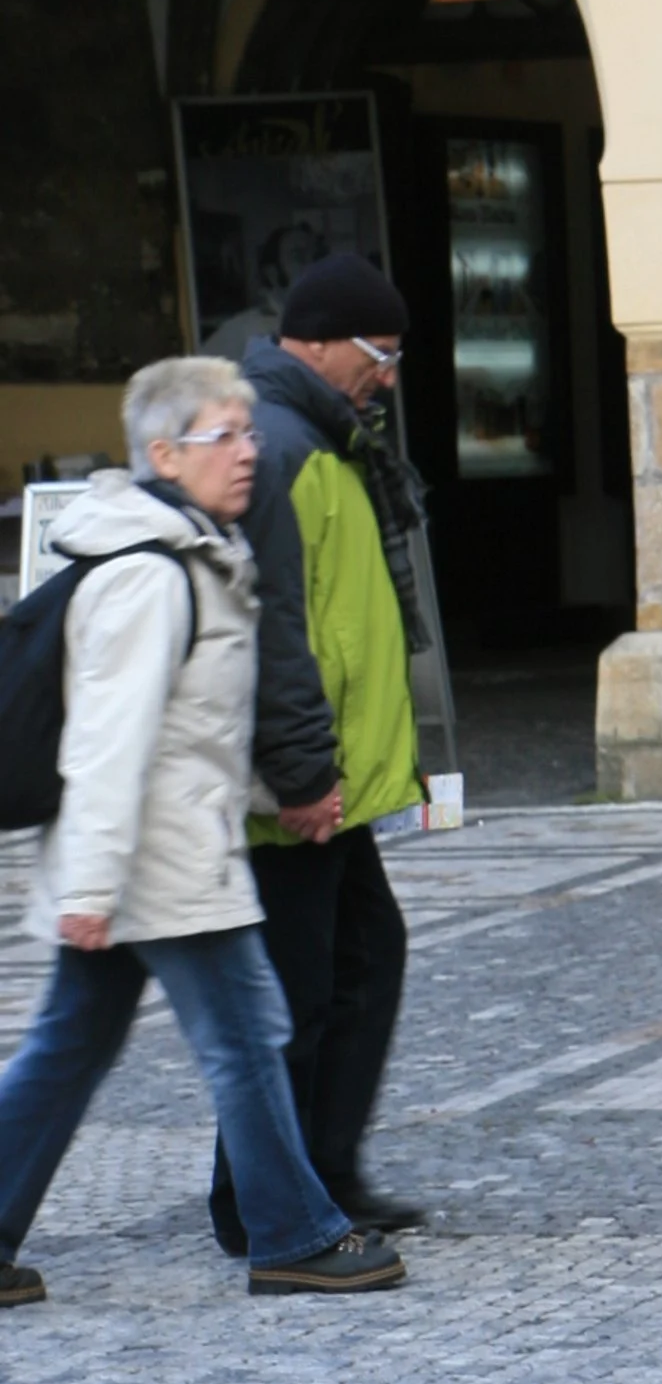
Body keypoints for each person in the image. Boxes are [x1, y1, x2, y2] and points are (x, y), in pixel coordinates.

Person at [0, 362, 404, 1306]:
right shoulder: (149, 576)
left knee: (69, 1048)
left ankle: (289, 1230)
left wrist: (279, 784)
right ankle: (294, 1234)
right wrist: (92, 889)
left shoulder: (195, 555)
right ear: (165, 453)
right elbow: (108, 745)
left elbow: (199, 723)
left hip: (163, 853)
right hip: (159, 864)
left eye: (249, 432)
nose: (249, 450)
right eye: (226, 435)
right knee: (249, 1040)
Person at [212, 253, 430, 1252]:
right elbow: (275, 631)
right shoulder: (283, 446)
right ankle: (263, 1199)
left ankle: (321, 1171)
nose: (386, 375)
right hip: (300, 786)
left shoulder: (326, 436)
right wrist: (303, 774)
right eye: (378, 354)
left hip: (331, 776)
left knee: (355, 961)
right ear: (318, 341)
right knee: (294, 992)